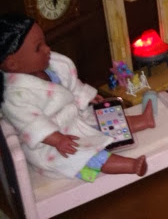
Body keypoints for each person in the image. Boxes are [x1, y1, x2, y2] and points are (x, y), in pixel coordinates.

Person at [0, 14, 155, 182]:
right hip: (51, 142)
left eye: (44, 42)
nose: (47, 49)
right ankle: (131, 165)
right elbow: (31, 124)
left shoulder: (52, 67)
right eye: (38, 47)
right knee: (84, 155)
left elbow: (71, 84)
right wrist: (57, 140)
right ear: (12, 63)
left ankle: (144, 121)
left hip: (74, 118)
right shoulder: (15, 96)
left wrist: (87, 95)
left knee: (105, 119)